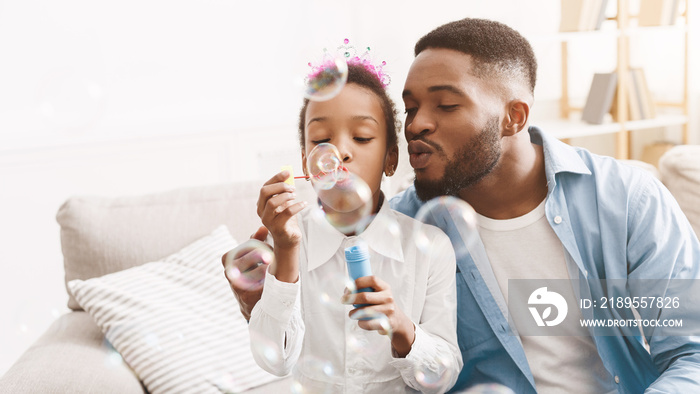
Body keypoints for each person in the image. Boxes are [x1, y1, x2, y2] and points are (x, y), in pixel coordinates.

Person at [224, 19, 700, 393]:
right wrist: (262, 302)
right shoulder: (401, 231)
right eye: (410, 108)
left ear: (513, 117)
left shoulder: (626, 200)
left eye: (445, 106)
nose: (416, 125)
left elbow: (691, 354)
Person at [240, 56, 462, 393]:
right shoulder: (284, 242)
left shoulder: (431, 248)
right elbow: (275, 361)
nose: (339, 151)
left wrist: (402, 328)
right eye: (320, 140)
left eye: (361, 137)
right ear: (305, 161)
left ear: (391, 159)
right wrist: (284, 250)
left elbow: (443, 377)